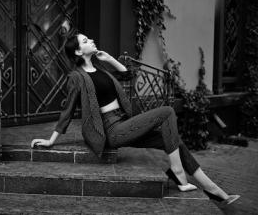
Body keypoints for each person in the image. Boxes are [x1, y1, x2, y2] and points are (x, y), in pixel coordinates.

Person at [31, 33, 240, 206]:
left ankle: (214, 190)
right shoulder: (76, 77)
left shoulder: (100, 69)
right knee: (167, 111)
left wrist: (110, 59)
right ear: (78, 52)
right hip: (111, 129)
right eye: (85, 41)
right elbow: (67, 110)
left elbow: (128, 75)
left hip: (124, 123)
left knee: (174, 141)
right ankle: (177, 172)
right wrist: (51, 140)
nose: (91, 41)